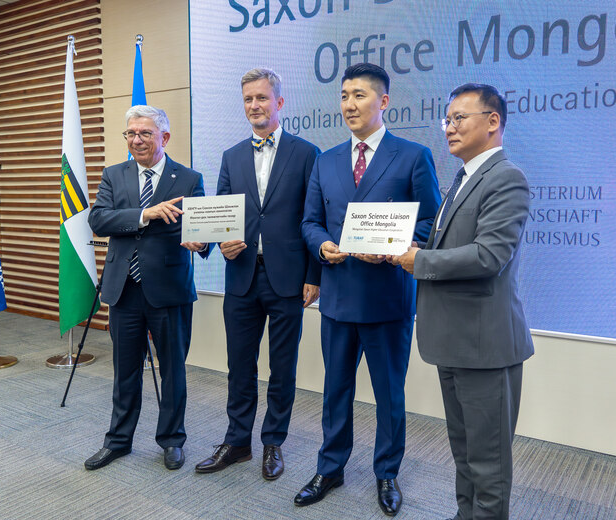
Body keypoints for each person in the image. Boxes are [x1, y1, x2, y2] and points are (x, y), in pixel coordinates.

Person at [297, 63, 441, 516]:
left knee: (388, 395)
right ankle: (330, 466)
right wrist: (322, 246)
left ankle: (387, 473)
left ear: (384, 102)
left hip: (387, 298)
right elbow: (310, 222)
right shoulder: (326, 160)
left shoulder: (413, 155)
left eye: (359, 95)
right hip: (338, 296)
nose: (349, 104)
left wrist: (397, 246)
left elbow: (430, 220)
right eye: (343, 96)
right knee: (335, 390)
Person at [390, 83, 534, 519]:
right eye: (446, 119)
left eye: (459, 118)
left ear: (493, 122)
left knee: (488, 464)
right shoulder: (461, 177)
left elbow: (490, 255)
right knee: (465, 453)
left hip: (484, 347)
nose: (449, 128)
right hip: (453, 342)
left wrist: (420, 260)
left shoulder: (506, 178)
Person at [194, 68, 320, 480]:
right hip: (242, 276)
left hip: (287, 278)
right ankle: (237, 442)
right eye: (248, 99)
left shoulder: (306, 153)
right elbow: (223, 213)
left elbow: (315, 217)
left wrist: (314, 273)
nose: (254, 106)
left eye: (262, 98)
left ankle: (273, 443)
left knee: (282, 367)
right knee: (239, 365)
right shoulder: (231, 156)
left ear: (279, 103)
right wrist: (213, 243)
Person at [85, 105, 211, 471]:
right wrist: (146, 213)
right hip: (123, 289)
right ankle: (118, 441)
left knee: (173, 370)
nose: (136, 140)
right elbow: (99, 219)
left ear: (164, 138)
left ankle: (172, 440)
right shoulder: (114, 174)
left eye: (145, 134)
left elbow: (203, 230)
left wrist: (202, 243)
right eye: (131, 134)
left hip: (169, 290)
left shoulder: (188, 178)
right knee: (125, 371)